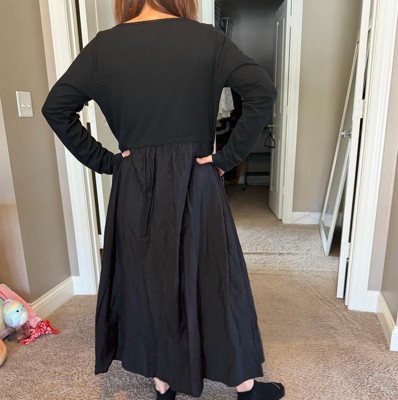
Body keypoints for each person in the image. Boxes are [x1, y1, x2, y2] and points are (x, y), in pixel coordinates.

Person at [41, 0, 283, 399]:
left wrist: (106, 162)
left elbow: (56, 108)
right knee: (212, 276)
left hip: (136, 182)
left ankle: (163, 382)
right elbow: (262, 91)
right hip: (196, 177)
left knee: (148, 277)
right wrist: (226, 158)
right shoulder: (207, 39)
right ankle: (244, 385)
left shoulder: (104, 46)